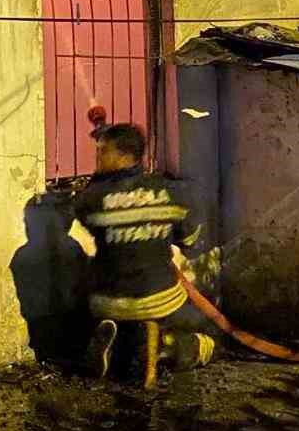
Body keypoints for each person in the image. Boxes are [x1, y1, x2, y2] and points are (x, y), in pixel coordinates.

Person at [71, 122, 214, 389]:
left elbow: (85, 214)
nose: (98, 158)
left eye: (104, 152)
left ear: (124, 156)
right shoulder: (170, 191)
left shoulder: (93, 198)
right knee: (189, 331)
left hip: (106, 299)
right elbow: (191, 240)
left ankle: (112, 341)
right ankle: (170, 347)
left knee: (90, 268)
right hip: (157, 297)